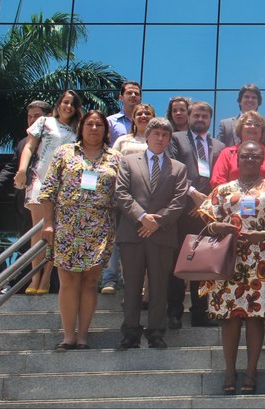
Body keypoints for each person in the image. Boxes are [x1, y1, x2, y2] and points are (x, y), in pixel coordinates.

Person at [198, 141, 265, 395]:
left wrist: (263, 235)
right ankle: (230, 372)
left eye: (256, 156)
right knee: (230, 317)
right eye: (245, 156)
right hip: (228, 258)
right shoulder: (223, 190)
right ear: (237, 158)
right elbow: (208, 223)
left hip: (260, 259)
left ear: (261, 161)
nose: (250, 160)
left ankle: (252, 373)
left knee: (255, 317)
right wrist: (219, 228)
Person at [39, 110, 122, 351]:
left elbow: (122, 194)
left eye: (99, 125)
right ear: (81, 127)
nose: (94, 128)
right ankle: (68, 336)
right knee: (68, 280)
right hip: (67, 225)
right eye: (89, 124)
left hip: (99, 226)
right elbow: (49, 190)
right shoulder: (65, 153)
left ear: (106, 131)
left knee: (90, 281)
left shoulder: (115, 158)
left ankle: (83, 336)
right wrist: (47, 223)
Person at [114, 117, 188, 350]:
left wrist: (158, 221)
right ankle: (130, 332)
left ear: (169, 139)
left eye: (165, 135)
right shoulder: (127, 161)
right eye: (156, 133)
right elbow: (121, 194)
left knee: (159, 286)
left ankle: (156, 331)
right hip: (133, 232)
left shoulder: (178, 167)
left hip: (162, 235)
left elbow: (179, 201)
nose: (160, 138)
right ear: (147, 135)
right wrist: (142, 217)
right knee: (132, 285)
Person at [13, 90, 83, 295]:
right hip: (39, 179)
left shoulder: (77, 131)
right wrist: (22, 170)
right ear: (58, 104)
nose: (68, 106)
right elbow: (29, 146)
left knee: (54, 233)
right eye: (65, 102)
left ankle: (45, 280)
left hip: (63, 185)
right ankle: (34, 276)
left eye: (72, 104)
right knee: (38, 230)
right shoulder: (44, 122)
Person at [166, 101, 225, 329]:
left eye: (205, 116)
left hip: (206, 214)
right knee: (178, 262)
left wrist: (206, 202)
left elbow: (221, 177)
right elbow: (172, 168)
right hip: (181, 211)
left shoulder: (219, 145)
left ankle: (201, 312)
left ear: (210, 119)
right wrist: (192, 194)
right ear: (190, 117)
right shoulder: (176, 139)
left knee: (203, 263)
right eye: (197, 115)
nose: (201, 119)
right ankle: (174, 312)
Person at [0, 100, 52, 294]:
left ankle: (46, 282)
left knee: (48, 241)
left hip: (48, 201)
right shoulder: (24, 142)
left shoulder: (58, 140)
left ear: (47, 118)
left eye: (37, 116)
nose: (32, 120)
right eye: (29, 116)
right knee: (26, 241)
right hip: (25, 202)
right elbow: (11, 166)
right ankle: (16, 283)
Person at [102, 103, 157, 296]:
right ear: (133, 118)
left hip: (149, 200)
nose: (143, 116)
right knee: (120, 241)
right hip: (124, 199)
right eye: (139, 113)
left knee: (146, 243)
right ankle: (113, 279)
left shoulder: (157, 142)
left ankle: (144, 287)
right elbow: (112, 166)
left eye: (147, 113)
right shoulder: (123, 142)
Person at [210, 110, 265, 188]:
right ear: (240, 128)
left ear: (262, 131)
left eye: (257, 125)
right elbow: (218, 180)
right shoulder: (228, 153)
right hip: (232, 198)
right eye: (248, 123)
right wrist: (235, 196)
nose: (252, 126)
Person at [218, 84, 265, 148]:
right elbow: (219, 150)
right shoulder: (225, 125)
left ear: (258, 103)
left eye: (254, 98)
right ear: (240, 101)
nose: (250, 100)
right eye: (246, 97)